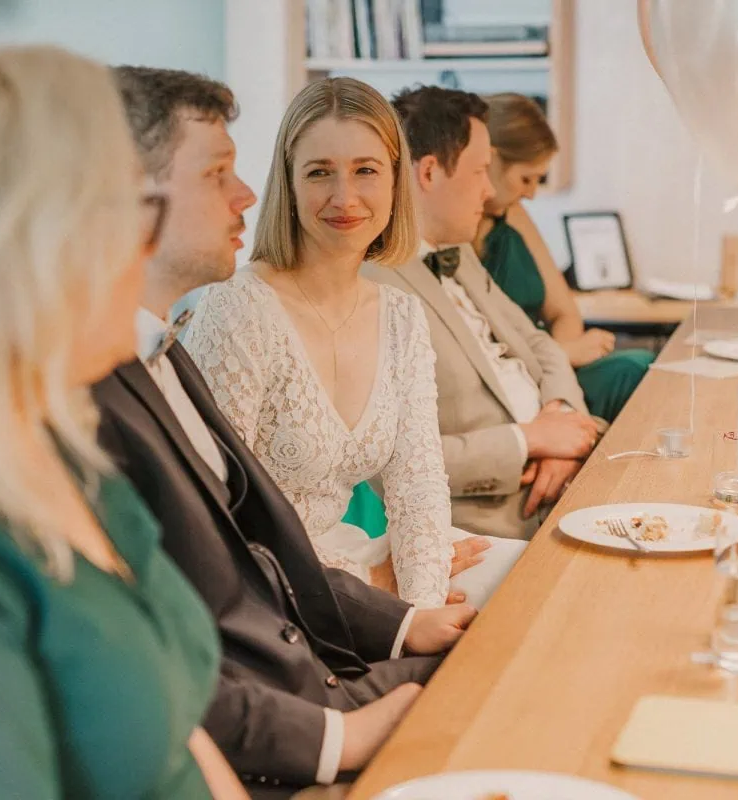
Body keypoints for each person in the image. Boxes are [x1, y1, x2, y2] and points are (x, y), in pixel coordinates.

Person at [93, 66, 476, 796]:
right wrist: (340, 726)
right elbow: (188, 613)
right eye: (218, 175)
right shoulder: (220, 321)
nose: (247, 197)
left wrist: (411, 615)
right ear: (130, 202)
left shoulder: (157, 352)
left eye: (366, 170)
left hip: (319, 636)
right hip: (285, 689)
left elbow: (412, 483)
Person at [0, 45, 246, 798]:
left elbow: (177, 723)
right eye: (134, 211)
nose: (143, 250)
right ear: (28, 239)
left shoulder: (49, 438)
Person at [185, 78, 523, 611]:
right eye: (320, 173)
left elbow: (419, 488)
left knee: (530, 582)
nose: (344, 198)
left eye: (366, 170)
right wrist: (372, 591)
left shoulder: (399, 315)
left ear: (396, 181)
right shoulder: (240, 307)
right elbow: (221, 518)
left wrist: (424, 608)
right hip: (271, 587)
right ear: (289, 184)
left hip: (354, 567)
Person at [364, 86, 604, 542]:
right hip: (495, 521)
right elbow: (388, 462)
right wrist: (531, 440)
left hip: (566, 471)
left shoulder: (458, 252)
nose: (491, 190)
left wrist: (562, 418)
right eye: (479, 171)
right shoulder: (372, 288)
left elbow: (538, 343)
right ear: (430, 172)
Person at [475, 93, 655, 422]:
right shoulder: (453, 234)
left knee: (641, 368)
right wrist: (563, 354)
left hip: (549, 368)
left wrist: (560, 368)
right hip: (508, 382)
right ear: (489, 161)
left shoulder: (513, 213)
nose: (531, 193)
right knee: (634, 374)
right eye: (525, 179)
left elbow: (563, 311)